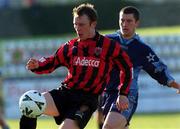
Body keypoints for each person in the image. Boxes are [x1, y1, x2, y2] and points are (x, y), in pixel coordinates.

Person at [19, 3, 133, 129]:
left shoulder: (109, 46)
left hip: (86, 101)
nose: (78, 28)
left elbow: (127, 68)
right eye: (75, 24)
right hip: (65, 93)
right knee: (29, 103)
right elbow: (52, 62)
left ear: (93, 24)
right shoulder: (70, 46)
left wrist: (123, 94)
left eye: (82, 25)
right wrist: (37, 65)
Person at [96, 6, 180, 129]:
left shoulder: (142, 49)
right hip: (106, 93)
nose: (124, 24)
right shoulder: (107, 41)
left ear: (137, 23)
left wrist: (177, 85)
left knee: (109, 127)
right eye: (122, 20)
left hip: (127, 95)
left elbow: (159, 71)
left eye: (129, 21)